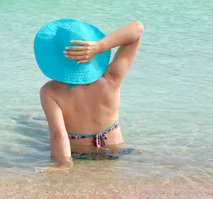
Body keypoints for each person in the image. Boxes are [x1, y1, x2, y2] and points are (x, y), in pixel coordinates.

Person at [34, 19, 144, 170]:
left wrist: (64, 164)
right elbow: (137, 29)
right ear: (91, 51)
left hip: (79, 153)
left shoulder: (50, 91)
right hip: (115, 150)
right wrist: (101, 46)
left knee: (40, 130)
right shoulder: (111, 78)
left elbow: (58, 135)